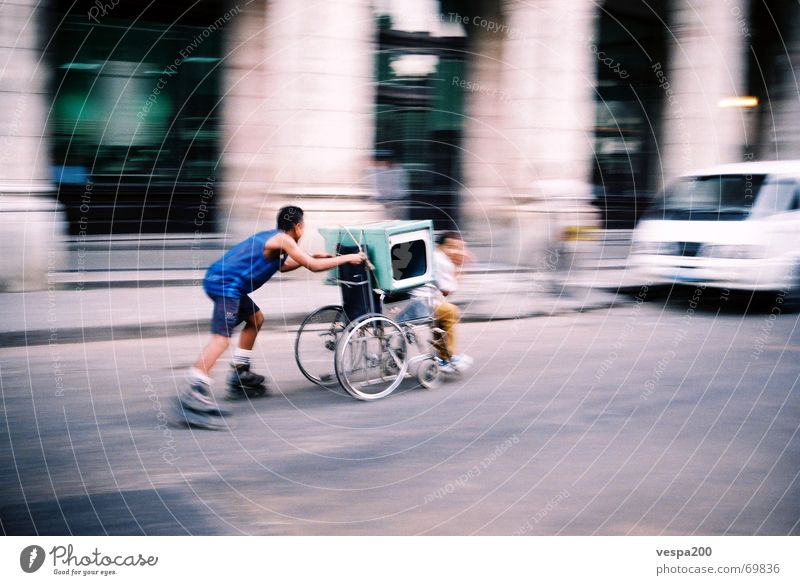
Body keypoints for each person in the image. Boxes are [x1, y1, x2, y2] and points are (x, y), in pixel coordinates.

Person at [177, 206, 364, 427]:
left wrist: (314, 256)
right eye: (303, 226)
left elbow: (283, 266)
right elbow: (313, 266)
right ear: (298, 226)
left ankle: (240, 372)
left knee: (256, 318)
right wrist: (349, 258)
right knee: (221, 340)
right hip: (225, 285)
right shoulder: (285, 241)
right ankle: (194, 390)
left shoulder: (274, 239)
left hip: (228, 284)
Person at [413, 231, 474, 374]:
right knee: (451, 311)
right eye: (453, 247)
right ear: (443, 246)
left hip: (417, 301)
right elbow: (448, 290)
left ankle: (444, 356)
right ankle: (450, 357)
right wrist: (460, 268)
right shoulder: (442, 261)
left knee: (441, 316)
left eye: (459, 248)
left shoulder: (433, 255)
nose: (456, 251)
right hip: (423, 303)